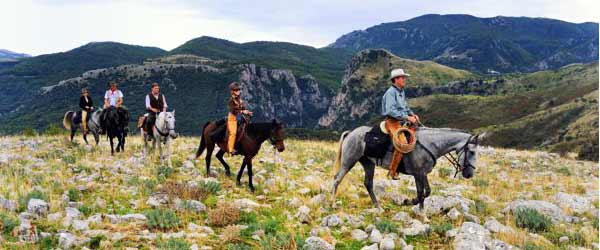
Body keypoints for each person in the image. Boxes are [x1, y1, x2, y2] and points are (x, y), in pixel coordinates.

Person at [381, 68, 420, 180]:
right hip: (392, 122)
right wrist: (407, 117)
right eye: (402, 78)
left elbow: (405, 107)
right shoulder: (390, 93)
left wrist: (413, 115)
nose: (404, 79)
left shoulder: (401, 91)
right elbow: (390, 111)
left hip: (402, 120)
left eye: (404, 78)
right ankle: (392, 171)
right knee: (402, 143)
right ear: (396, 79)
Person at [226, 82, 252, 155]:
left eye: (239, 90)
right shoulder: (231, 100)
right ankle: (230, 150)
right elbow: (233, 110)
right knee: (233, 133)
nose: (238, 91)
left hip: (240, 118)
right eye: (236, 90)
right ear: (232, 91)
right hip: (232, 119)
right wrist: (243, 112)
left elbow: (243, 108)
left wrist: (247, 112)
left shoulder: (240, 100)